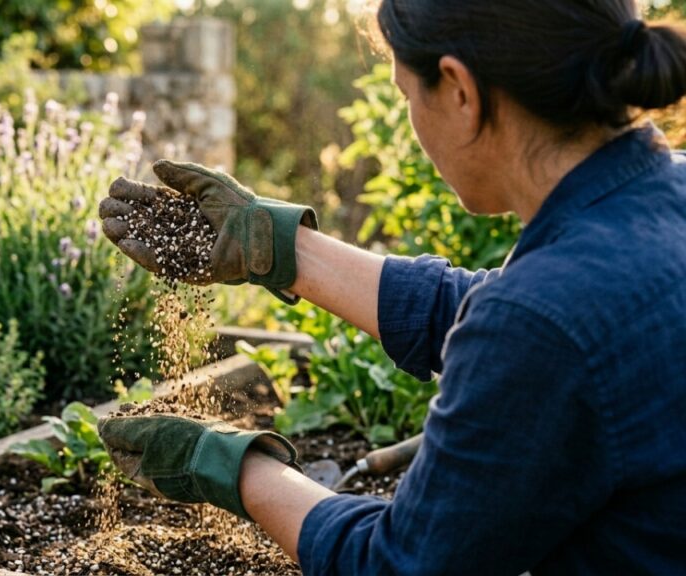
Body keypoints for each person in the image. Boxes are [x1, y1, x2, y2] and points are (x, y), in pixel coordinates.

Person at [96, 1, 686, 574]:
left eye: (407, 93)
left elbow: (401, 563)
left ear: (459, 89)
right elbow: (512, 317)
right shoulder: (663, 198)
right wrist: (278, 246)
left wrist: (232, 467)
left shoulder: (544, 319)